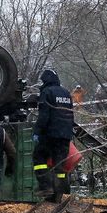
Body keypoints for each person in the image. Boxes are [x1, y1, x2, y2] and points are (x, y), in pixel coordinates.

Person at [32, 67, 75, 201]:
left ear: (46, 80)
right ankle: (59, 194)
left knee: (39, 158)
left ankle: (46, 187)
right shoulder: (66, 93)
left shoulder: (47, 92)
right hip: (65, 135)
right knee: (59, 165)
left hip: (50, 134)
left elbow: (44, 115)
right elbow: (70, 114)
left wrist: (37, 132)